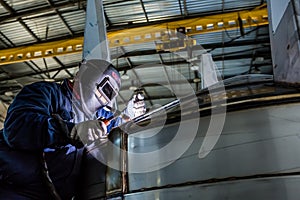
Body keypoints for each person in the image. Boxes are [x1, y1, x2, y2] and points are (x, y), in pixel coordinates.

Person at [0, 59, 146, 200]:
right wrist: (68, 130)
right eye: (106, 88)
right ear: (83, 75)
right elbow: (16, 128)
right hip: (12, 188)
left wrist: (130, 114)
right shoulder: (47, 93)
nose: (105, 97)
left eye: (110, 93)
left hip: (51, 195)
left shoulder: (98, 116)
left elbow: (116, 123)